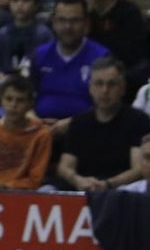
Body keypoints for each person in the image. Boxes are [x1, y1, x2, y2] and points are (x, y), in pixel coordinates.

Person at [57, 56, 150, 191]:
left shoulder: (137, 121)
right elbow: (65, 166)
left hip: (122, 194)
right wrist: (78, 180)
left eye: (111, 84)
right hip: (83, 190)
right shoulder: (79, 122)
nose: (105, 91)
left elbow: (138, 169)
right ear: (90, 88)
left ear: (123, 88)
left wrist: (108, 184)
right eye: (99, 84)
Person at [0, 73, 52, 189]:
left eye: (20, 100)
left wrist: (5, 187)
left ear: (30, 104)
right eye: (8, 99)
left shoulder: (41, 135)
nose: (13, 105)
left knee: (47, 189)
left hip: (24, 195)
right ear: (1, 100)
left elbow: (35, 180)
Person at [32, 0, 109, 121]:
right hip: (40, 129)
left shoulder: (101, 57)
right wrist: (33, 119)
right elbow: (26, 96)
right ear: (53, 22)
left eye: (74, 20)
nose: (68, 27)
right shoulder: (40, 55)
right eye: (62, 20)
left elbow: (106, 106)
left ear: (86, 23)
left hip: (86, 130)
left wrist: (71, 124)